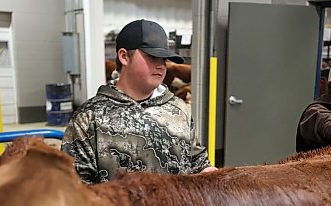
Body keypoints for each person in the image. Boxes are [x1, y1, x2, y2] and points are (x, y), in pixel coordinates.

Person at [62, 19, 216, 184]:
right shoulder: (89, 118)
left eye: (164, 59)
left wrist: (212, 176)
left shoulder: (178, 109)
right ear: (124, 57)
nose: (162, 66)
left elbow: (197, 161)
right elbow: (74, 188)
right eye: (152, 57)